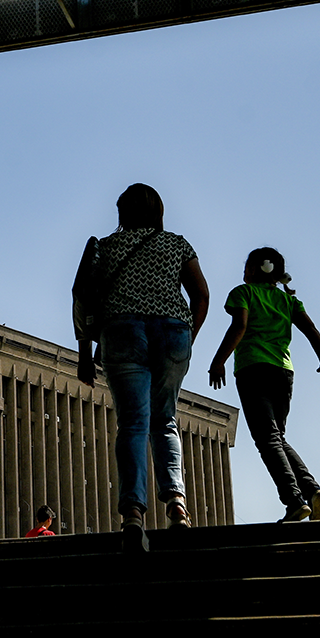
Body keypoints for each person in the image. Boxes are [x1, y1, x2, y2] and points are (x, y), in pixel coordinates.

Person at [78, 183, 209, 551]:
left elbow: (85, 300)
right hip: (172, 331)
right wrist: (187, 337)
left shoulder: (105, 247)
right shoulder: (177, 244)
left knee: (133, 424)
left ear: (122, 212)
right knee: (164, 419)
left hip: (121, 330)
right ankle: (177, 506)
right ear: (158, 212)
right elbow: (201, 295)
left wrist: (85, 353)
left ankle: (133, 515)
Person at [208, 247, 320, 523]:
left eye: (246, 266)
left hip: (253, 370)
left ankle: (294, 501)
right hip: (283, 373)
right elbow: (311, 329)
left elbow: (239, 326)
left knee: (267, 439)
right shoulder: (287, 301)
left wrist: (218, 360)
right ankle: (312, 492)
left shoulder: (243, 293)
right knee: (277, 437)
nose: (243, 271)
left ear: (256, 269)